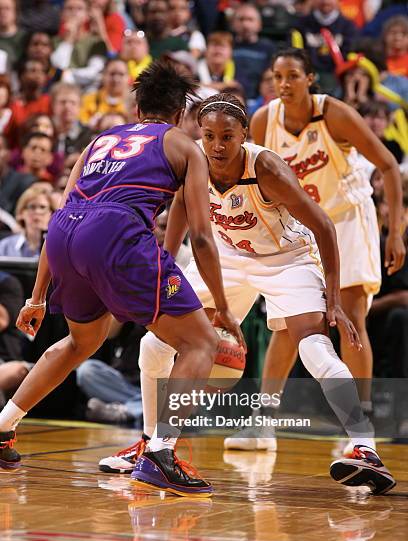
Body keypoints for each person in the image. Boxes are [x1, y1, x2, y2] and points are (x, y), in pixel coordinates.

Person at [101, 92, 396, 496]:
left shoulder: (267, 168)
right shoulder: (194, 162)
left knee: (314, 349)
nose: (217, 145)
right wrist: (163, 277)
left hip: (287, 258)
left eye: (227, 136)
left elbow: (324, 226)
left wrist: (333, 300)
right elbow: (180, 219)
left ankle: (365, 446)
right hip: (225, 256)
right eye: (208, 136)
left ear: (245, 134)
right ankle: (153, 446)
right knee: (154, 345)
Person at [0, 61, 242, 498]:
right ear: (178, 113)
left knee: (80, 343)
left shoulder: (100, 140)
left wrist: (37, 296)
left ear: (136, 107)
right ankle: (161, 454)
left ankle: (2, 426)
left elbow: (62, 212)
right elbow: (202, 238)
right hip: (116, 233)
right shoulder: (182, 144)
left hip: (65, 234)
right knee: (201, 342)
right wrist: (222, 305)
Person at [249, 48, 405, 454]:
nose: (284, 84)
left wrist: (397, 232)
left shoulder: (333, 113)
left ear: (310, 79)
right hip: (303, 227)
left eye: (293, 76)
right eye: (277, 76)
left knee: (351, 317)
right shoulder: (265, 121)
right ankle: (263, 422)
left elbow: (387, 164)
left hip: (349, 220)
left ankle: (360, 425)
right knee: (288, 325)